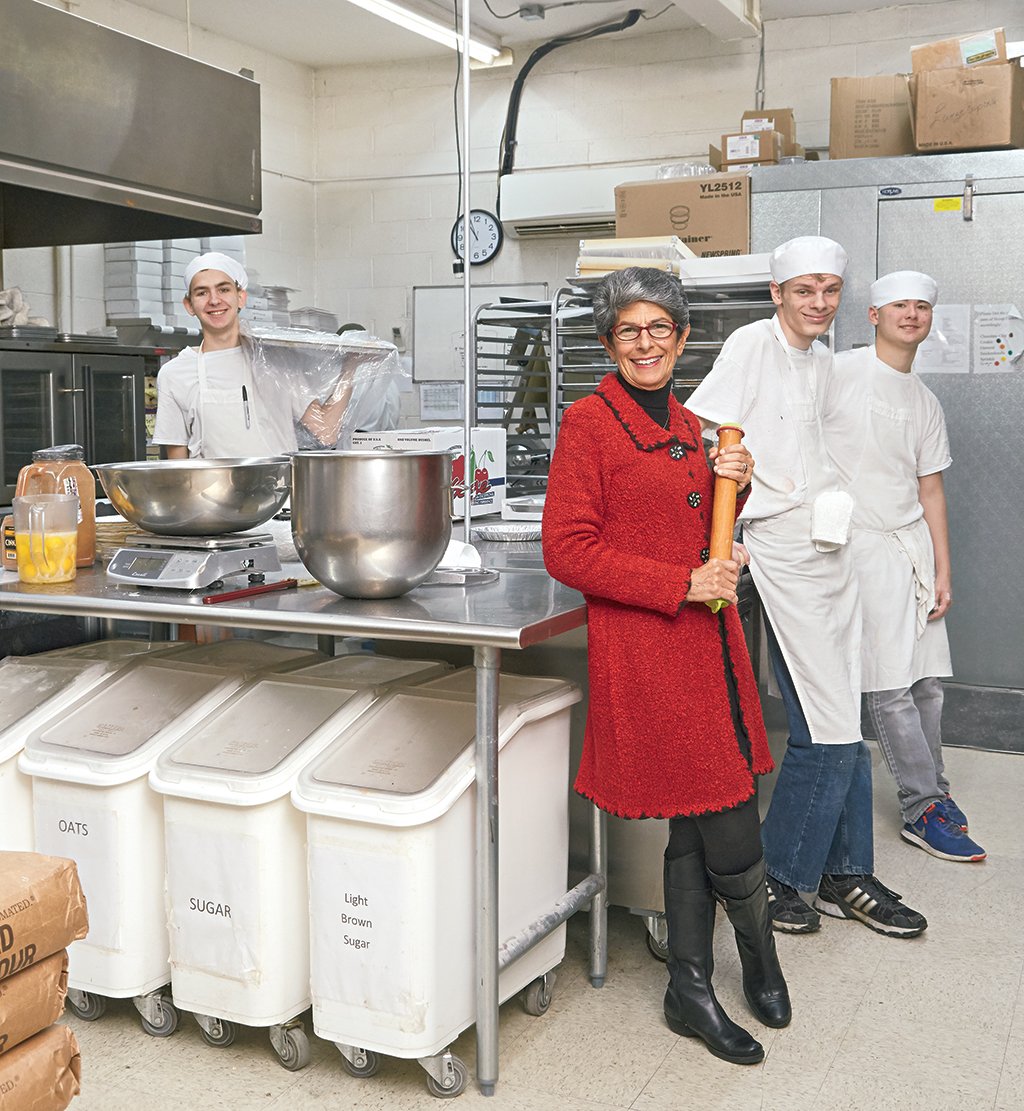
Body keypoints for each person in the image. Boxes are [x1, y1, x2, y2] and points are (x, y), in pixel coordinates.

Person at [542, 267, 789, 1067]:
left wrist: (734, 505)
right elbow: (568, 548)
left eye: (660, 329)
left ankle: (690, 984)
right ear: (608, 342)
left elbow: (688, 525)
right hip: (651, 651)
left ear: (683, 340)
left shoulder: (692, 425)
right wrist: (681, 583)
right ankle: (757, 957)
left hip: (709, 648)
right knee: (727, 815)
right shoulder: (590, 424)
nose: (645, 343)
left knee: (703, 809)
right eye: (628, 330)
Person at [686, 236, 928, 939]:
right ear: (777, 294)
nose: (818, 303)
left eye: (829, 290)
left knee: (843, 716)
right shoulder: (751, 346)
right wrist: (726, 516)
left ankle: (843, 870)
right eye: (803, 290)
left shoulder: (824, 362)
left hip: (830, 548)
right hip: (777, 550)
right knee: (826, 727)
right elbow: (713, 442)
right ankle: (785, 876)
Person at [824, 271, 985, 861]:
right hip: (857, 547)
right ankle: (922, 808)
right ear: (873, 315)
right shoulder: (840, 370)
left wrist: (944, 570)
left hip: (909, 547)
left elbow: (931, 489)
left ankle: (934, 787)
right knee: (889, 685)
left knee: (927, 684)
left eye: (922, 306)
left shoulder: (924, 400)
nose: (911, 314)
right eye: (899, 306)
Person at [153, 253, 352, 458]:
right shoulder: (174, 373)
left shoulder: (275, 361)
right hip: (208, 489)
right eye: (202, 293)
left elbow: (327, 431)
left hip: (277, 488)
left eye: (223, 289)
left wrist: (350, 367)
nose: (214, 300)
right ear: (189, 305)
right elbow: (178, 465)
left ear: (241, 297)